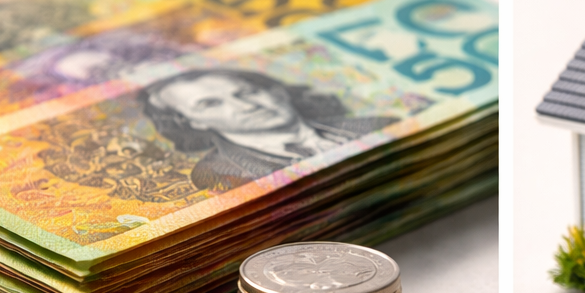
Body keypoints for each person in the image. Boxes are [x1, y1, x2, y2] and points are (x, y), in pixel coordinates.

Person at [138, 68, 397, 191]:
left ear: (276, 91)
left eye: (247, 92)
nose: (246, 106)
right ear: (192, 122)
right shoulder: (217, 174)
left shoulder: (380, 126)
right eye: (210, 104)